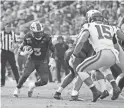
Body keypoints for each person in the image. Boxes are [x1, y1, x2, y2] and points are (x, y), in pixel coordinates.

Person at [72, 10, 124, 102]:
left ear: (90, 18)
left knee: (80, 69)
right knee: (103, 69)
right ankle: (115, 87)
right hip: (113, 55)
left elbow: (81, 41)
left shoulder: (88, 26)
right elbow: (122, 37)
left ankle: (95, 91)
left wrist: (74, 54)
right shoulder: (111, 27)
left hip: (102, 53)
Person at [13, 21, 55, 97]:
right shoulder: (28, 36)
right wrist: (23, 52)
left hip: (42, 61)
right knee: (25, 75)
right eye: (37, 33)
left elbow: (53, 50)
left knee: (45, 81)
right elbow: (21, 47)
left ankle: (32, 86)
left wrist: (52, 60)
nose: (39, 34)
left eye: (40, 32)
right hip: (32, 59)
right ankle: (18, 88)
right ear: (32, 32)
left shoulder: (47, 37)